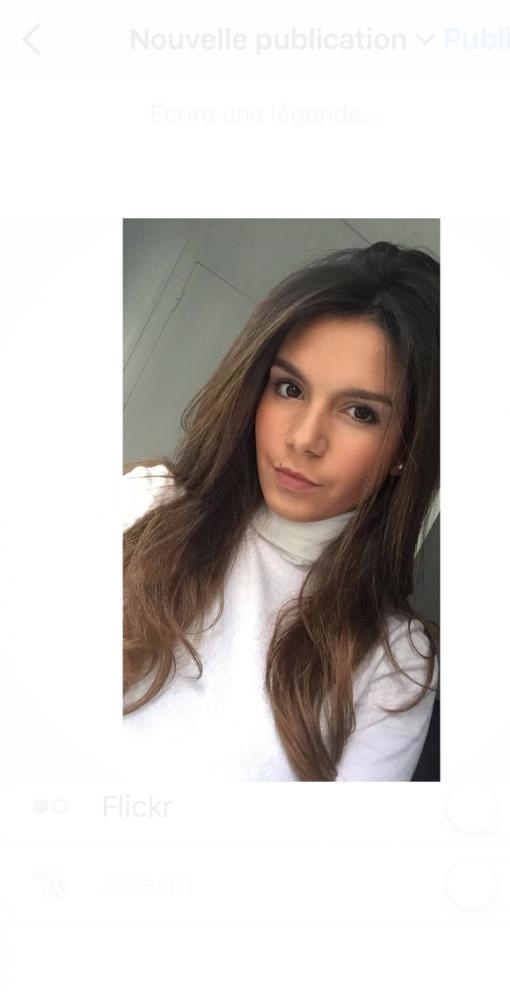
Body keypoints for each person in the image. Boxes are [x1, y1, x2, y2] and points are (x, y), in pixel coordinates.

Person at [122, 240, 440, 782]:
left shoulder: (396, 662)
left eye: (360, 412)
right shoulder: (145, 504)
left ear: (405, 451)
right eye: (289, 388)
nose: (304, 438)